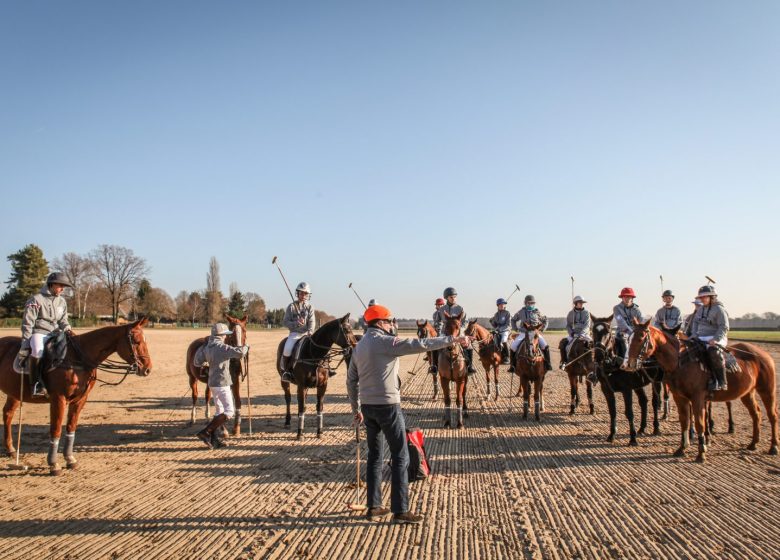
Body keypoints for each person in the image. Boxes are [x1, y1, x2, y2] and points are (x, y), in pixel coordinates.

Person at [346, 304, 471, 524]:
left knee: (374, 457)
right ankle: (400, 510)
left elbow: (351, 381)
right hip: (388, 406)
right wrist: (452, 340)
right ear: (381, 323)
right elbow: (420, 344)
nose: (392, 325)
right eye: (390, 321)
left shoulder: (359, 346)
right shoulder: (386, 341)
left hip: (367, 407)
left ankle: (374, 507)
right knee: (400, 456)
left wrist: (356, 409)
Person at [196, 323, 249, 449]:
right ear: (220, 336)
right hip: (222, 383)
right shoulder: (222, 347)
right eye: (225, 335)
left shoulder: (207, 347)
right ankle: (206, 432)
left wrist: (207, 363)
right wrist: (246, 346)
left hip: (212, 383)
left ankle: (214, 440)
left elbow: (196, 361)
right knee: (229, 412)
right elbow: (240, 353)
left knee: (219, 411)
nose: (226, 337)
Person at [20, 272, 74, 396]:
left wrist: (68, 329)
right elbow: (28, 322)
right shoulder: (36, 299)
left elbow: (63, 320)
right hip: (39, 332)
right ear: (51, 284)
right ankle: (36, 384)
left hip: (56, 333)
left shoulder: (62, 301)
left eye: (64, 286)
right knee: (37, 350)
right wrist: (26, 341)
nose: (62, 288)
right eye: (60, 285)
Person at [689, 285, 730, 391]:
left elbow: (724, 326)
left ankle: (721, 381)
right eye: (701, 297)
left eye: (704, 297)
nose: (702, 299)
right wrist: (694, 335)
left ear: (712, 297)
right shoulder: (700, 309)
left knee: (713, 352)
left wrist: (716, 339)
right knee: (688, 351)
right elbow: (695, 323)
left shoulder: (719, 309)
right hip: (701, 337)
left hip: (717, 337)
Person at [434, 288, 476, 373]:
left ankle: (470, 366)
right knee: (435, 344)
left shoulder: (460, 308)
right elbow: (438, 321)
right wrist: (440, 330)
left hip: (458, 332)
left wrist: (461, 330)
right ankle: (434, 366)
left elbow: (465, 321)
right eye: (451, 297)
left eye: (454, 297)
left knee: (468, 345)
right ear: (446, 298)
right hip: (444, 332)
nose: (453, 298)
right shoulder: (442, 310)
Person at [280, 282, 315, 383]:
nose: (303, 295)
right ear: (298, 293)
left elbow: (312, 321)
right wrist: (296, 323)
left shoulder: (310, 307)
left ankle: (324, 369)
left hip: (307, 334)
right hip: (295, 334)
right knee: (287, 349)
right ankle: (286, 371)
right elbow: (285, 322)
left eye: (305, 294)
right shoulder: (291, 307)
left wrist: (310, 331)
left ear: (308, 295)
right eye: (301, 293)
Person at [509, 295, 551, 372]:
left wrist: (542, 329)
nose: (531, 304)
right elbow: (513, 320)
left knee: (545, 346)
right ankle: (513, 365)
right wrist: (515, 328)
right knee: (513, 347)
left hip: (535, 334)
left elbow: (545, 320)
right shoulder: (520, 312)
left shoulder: (537, 312)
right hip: (524, 333)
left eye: (532, 303)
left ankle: (548, 364)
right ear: (525, 303)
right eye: (529, 303)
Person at [613, 287, 643, 367]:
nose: (626, 299)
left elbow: (641, 322)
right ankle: (627, 361)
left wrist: (637, 332)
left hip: (635, 333)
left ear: (632, 298)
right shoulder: (616, 308)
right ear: (622, 298)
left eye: (629, 297)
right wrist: (631, 333)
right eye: (624, 297)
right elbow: (621, 322)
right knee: (623, 338)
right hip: (623, 332)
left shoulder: (637, 310)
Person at [560, 296, 592, 368]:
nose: (581, 304)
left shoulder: (586, 313)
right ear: (575, 303)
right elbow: (568, 325)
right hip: (573, 334)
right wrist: (572, 333)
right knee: (563, 343)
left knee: (593, 344)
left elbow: (587, 325)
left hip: (585, 335)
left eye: (582, 303)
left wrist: (582, 334)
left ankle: (595, 363)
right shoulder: (570, 313)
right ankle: (564, 362)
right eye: (580, 303)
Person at [490, 298, 512, 364]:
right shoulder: (496, 314)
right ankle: (498, 355)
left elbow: (508, 324)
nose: (502, 305)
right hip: (498, 331)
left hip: (506, 330)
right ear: (498, 305)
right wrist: (492, 321)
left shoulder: (507, 313)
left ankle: (508, 357)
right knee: (494, 341)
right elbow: (495, 325)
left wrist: (500, 329)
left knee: (503, 340)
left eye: (503, 304)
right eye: (500, 304)